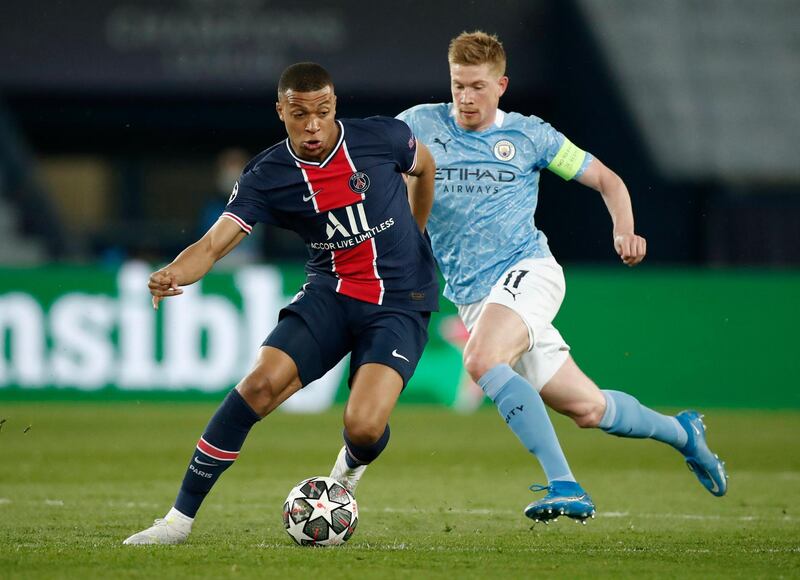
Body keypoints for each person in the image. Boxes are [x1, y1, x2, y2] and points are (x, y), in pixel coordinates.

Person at [393, 31, 727, 523]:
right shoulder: (418, 125)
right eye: (458, 85)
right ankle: (683, 433)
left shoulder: (532, 136)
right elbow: (367, 163)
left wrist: (625, 231)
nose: (465, 97)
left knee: (482, 359)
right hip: (475, 298)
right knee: (588, 409)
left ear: (501, 84)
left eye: (478, 87)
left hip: (529, 271)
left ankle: (565, 485)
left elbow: (607, 181)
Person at [123, 62, 438, 545]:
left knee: (364, 425)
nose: (313, 125)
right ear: (280, 111)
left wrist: (416, 230)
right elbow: (211, 245)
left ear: (335, 105)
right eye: (299, 114)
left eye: (323, 111)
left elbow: (426, 166)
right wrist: (173, 273)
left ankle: (348, 467)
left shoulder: (384, 138)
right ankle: (177, 522)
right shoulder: (268, 175)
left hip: (400, 301)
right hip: (330, 293)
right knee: (258, 386)